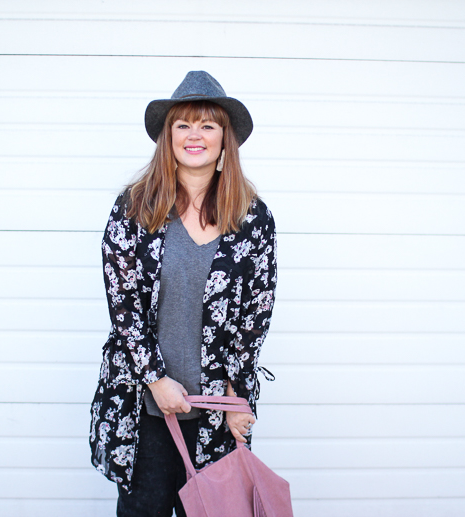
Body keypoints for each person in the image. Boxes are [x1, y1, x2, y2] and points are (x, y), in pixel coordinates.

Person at [89, 71, 277, 517]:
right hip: (144, 409)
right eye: (184, 124)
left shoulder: (253, 219)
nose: (196, 135)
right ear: (167, 136)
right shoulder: (133, 209)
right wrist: (156, 380)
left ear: (224, 140)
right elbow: (124, 307)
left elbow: (256, 312)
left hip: (216, 412)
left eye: (208, 125)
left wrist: (234, 397)